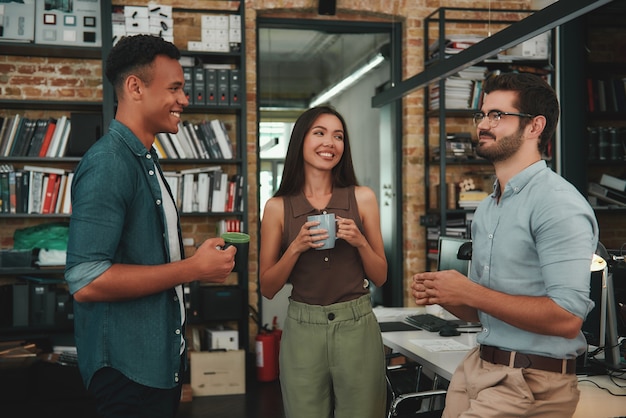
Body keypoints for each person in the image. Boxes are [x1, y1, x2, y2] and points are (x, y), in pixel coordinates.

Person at [65, 34, 236, 418]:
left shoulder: (146, 160)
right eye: (174, 88)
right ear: (134, 87)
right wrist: (192, 268)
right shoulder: (109, 162)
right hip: (128, 372)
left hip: (156, 364)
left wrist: (197, 262)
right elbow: (87, 280)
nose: (185, 100)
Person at [412, 72, 599, 417]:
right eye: (482, 114)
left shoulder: (557, 203)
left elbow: (567, 317)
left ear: (534, 126)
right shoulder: (487, 208)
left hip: (530, 382)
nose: (483, 124)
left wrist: (469, 292)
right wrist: (448, 295)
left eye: (497, 115)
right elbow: (487, 311)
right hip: (478, 370)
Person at [259, 106, 388, 418]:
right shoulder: (277, 207)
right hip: (302, 330)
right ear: (300, 141)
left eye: (338, 136)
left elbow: (381, 276)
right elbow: (267, 287)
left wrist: (359, 241)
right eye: (320, 133)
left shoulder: (363, 198)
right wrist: (296, 248)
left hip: (357, 327)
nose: (330, 142)